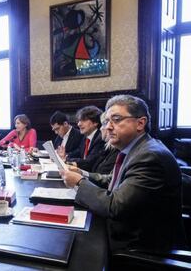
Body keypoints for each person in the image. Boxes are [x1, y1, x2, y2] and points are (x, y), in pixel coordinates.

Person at [60, 95, 185, 252]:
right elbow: (113, 180)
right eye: (106, 122)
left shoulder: (149, 156)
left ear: (140, 123)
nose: (108, 127)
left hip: (140, 248)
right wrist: (82, 174)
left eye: (116, 119)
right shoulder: (137, 148)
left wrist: (79, 183)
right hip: (127, 232)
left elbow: (115, 206)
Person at [64, 106, 105, 171]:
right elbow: (78, 152)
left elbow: (88, 162)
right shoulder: (85, 137)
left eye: (84, 120)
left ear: (95, 122)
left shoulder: (101, 139)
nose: (79, 124)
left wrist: (66, 160)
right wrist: (66, 155)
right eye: (79, 121)